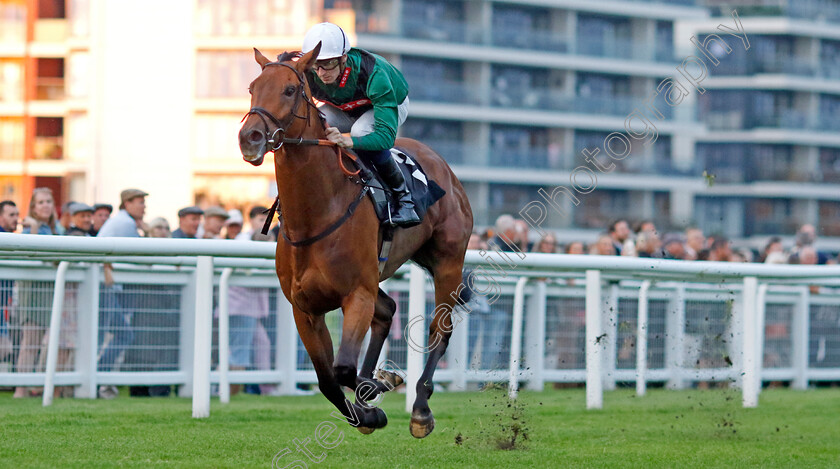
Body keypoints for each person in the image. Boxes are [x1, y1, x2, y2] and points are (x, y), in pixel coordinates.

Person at [301, 22, 419, 226]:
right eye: (316, 64)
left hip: (390, 104)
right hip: (345, 107)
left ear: (343, 58)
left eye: (328, 63)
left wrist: (349, 142)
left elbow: (385, 138)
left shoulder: (375, 74)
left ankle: (404, 200)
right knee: (314, 123)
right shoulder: (309, 70)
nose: (321, 73)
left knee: (360, 130)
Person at [95, 188, 146, 398]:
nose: (144, 206)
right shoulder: (125, 223)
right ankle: (98, 378)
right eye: (140, 202)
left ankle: (97, 378)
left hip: (106, 286)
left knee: (105, 335)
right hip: (104, 286)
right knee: (118, 334)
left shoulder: (124, 221)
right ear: (127, 203)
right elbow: (141, 255)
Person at [15, 188, 61, 397]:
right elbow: (29, 254)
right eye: (41, 202)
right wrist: (33, 229)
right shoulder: (29, 229)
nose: (46, 205)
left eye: (49, 201)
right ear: (33, 206)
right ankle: (21, 388)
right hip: (33, 294)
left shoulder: (56, 229)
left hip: (52, 293)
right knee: (30, 342)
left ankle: (41, 386)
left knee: (50, 343)